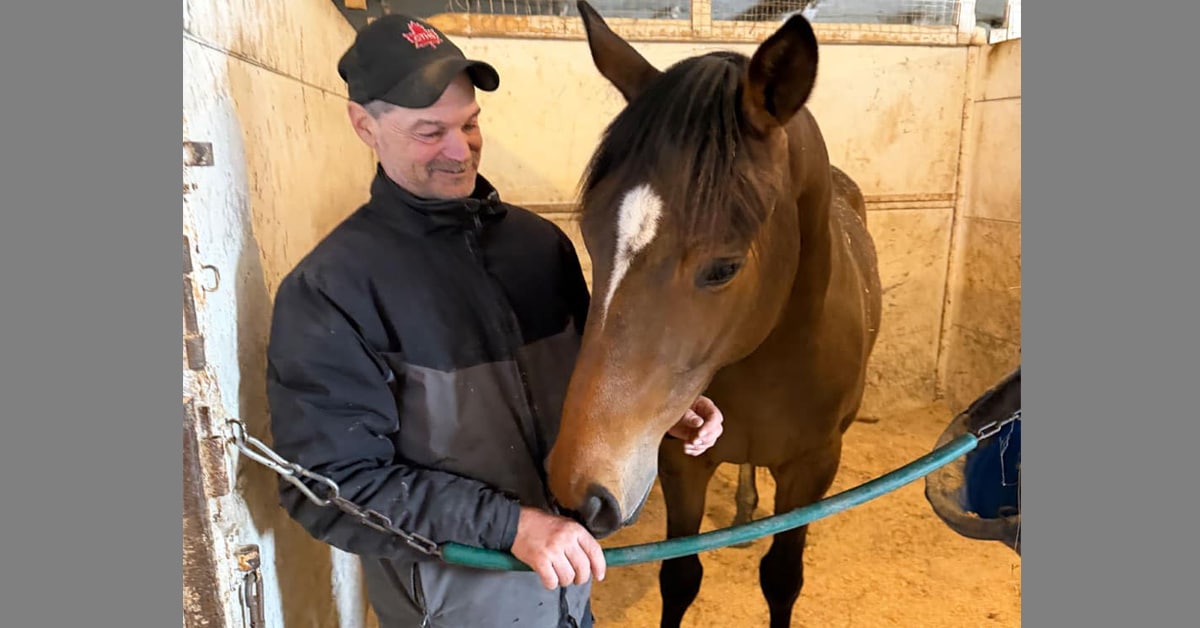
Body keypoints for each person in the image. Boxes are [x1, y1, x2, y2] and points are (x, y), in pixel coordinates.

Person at [264, 14, 726, 628]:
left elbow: (588, 379)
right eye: (430, 132)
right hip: (456, 613)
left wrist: (659, 406)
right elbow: (328, 487)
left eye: (470, 123)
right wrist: (510, 526)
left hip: (567, 602)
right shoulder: (332, 291)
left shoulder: (541, 248)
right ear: (364, 127)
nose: (460, 151)